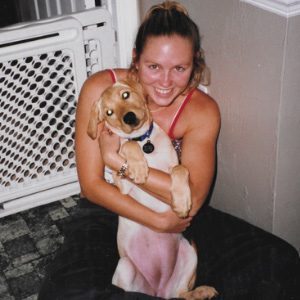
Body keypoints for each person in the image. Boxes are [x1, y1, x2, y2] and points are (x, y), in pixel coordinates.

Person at [38, 1, 299, 299]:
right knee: (64, 292)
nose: (164, 82)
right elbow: (92, 186)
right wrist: (156, 220)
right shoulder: (101, 90)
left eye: (179, 68)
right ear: (136, 59)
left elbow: (192, 198)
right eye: (153, 67)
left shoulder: (202, 111)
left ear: (195, 62)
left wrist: (115, 159)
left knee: (280, 259)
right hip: (112, 209)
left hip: (181, 218)